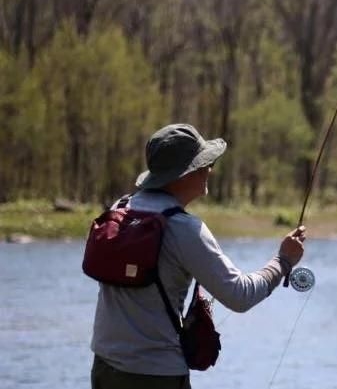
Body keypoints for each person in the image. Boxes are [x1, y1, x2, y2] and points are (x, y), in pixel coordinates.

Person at [90, 123, 306, 389]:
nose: (209, 169)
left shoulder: (120, 208)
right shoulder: (184, 229)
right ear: (183, 174)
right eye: (203, 163)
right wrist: (283, 261)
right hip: (157, 377)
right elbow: (240, 296)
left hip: (104, 369)